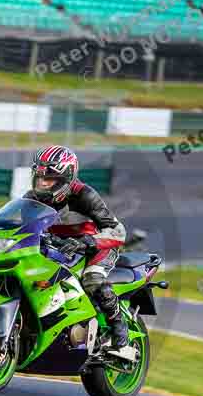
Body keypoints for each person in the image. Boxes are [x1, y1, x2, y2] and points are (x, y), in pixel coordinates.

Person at [23, 145, 128, 354]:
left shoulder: (84, 196)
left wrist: (88, 242)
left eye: (49, 178)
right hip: (60, 247)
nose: (43, 183)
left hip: (96, 246)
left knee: (93, 279)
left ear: (66, 178)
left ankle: (119, 327)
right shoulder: (32, 198)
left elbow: (118, 231)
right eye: (40, 177)